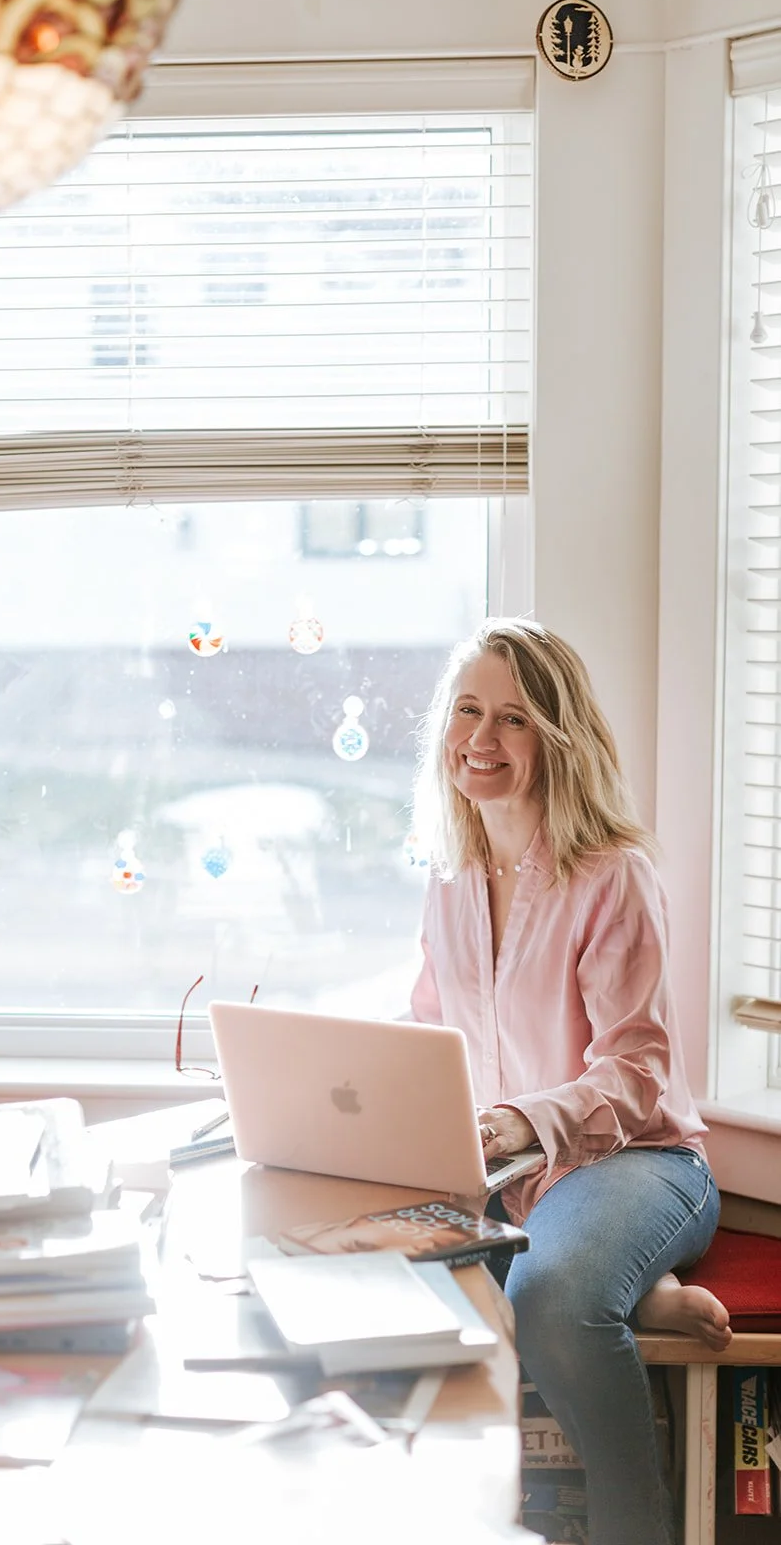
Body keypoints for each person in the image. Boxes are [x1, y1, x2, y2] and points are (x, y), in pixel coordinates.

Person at [409, 616, 730, 1545]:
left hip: (641, 1164)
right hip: (516, 1184)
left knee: (548, 1302)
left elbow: (637, 1073)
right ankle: (632, 1287)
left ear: (556, 738)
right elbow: (430, 1029)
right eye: (466, 711)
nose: (479, 740)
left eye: (510, 720)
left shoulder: (610, 874)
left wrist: (516, 1122)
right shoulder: (451, 874)